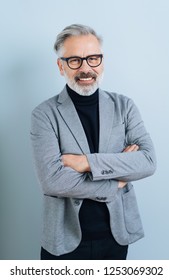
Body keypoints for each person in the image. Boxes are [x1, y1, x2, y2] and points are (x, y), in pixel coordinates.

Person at [30, 24, 156, 260]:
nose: (86, 68)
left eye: (93, 59)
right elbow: (52, 181)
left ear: (102, 62)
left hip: (116, 236)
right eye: (75, 60)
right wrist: (116, 182)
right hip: (63, 241)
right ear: (61, 66)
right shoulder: (44, 114)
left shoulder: (124, 106)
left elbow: (148, 161)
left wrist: (86, 163)